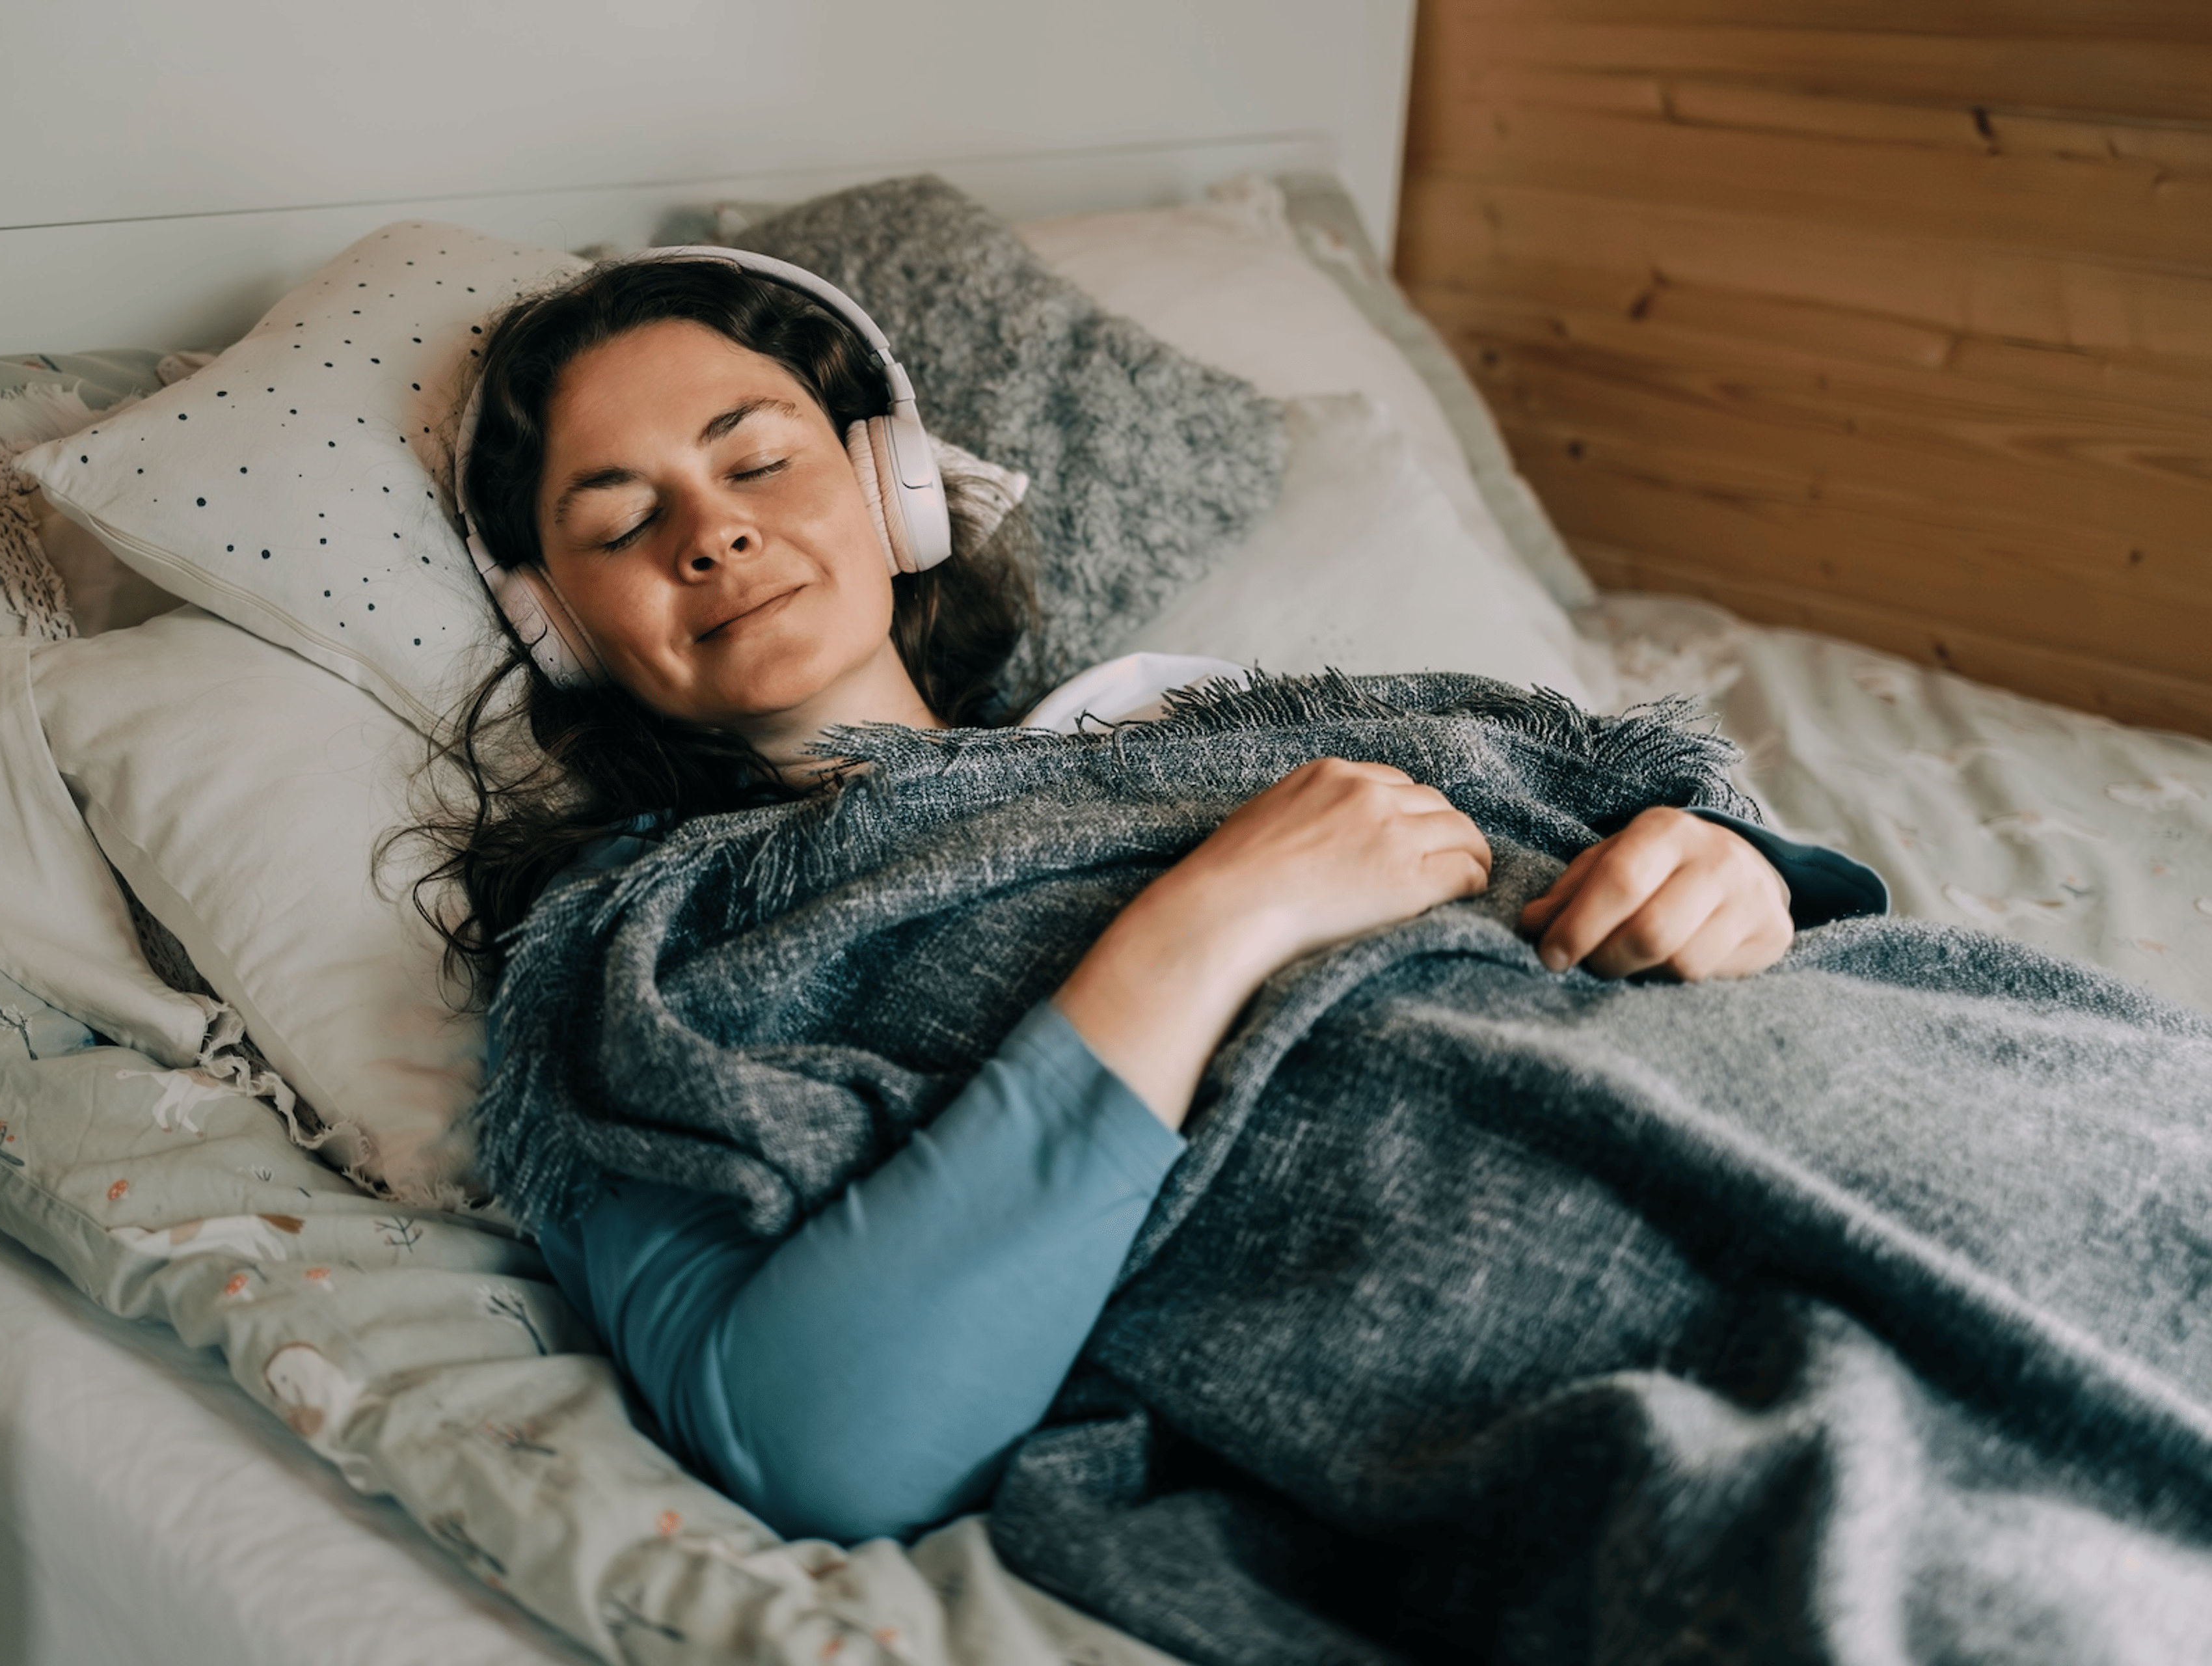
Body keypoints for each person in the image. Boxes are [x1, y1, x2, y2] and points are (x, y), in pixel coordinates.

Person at [424, 254, 1885, 1544]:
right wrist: (1213, 921)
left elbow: (1587, 792)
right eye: (621, 523)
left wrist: (1727, 866)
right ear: (554, 625)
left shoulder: (1165, 717)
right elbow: (818, 1442)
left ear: (892, 486)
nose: (712, 535)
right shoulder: (634, 961)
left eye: (757, 463)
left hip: (1785, 1105)